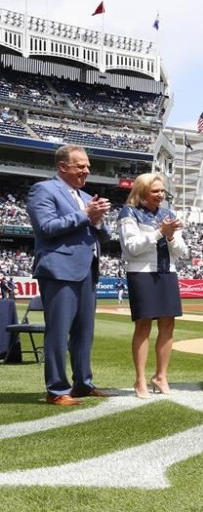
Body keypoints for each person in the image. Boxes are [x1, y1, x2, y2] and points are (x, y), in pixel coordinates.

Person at [26, 144, 112, 406]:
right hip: (59, 269)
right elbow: (47, 227)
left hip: (87, 269)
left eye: (87, 166)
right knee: (59, 331)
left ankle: (83, 383)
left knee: (84, 332)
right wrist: (85, 215)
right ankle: (56, 389)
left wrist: (97, 220)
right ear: (62, 166)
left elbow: (105, 235)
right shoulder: (43, 190)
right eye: (80, 166)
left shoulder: (87, 197)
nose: (86, 170)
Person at [118, 173, 188, 399]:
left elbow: (182, 251)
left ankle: (161, 376)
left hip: (167, 272)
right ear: (142, 192)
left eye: (162, 191)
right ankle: (139, 379)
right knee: (143, 326)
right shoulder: (129, 212)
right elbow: (131, 248)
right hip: (142, 273)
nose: (161, 195)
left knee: (168, 325)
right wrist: (160, 233)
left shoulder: (168, 214)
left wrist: (170, 237)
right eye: (155, 191)